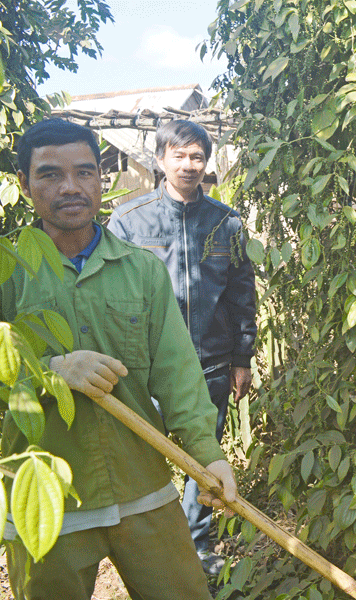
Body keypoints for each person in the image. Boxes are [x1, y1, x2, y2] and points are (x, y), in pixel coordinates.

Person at [1, 118, 236, 600]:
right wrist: (49, 373)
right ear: (24, 184)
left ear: (101, 178)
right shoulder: (8, 272)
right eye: (50, 175)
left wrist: (209, 456)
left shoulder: (142, 271)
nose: (71, 187)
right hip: (47, 500)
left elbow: (177, 376)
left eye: (85, 172)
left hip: (142, 490)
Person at [108, 119, 257, 574]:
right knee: (138, 459)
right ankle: (143, 550)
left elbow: (240, 292)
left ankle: (196, 551)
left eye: (197, 156)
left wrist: (241, 357)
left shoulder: (225, 223)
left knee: (203, 461)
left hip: (209, 365)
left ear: (206, 163)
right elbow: (109, 293)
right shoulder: (130, 221)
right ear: (159, 159)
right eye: (180, 155)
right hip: (145, 367)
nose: (189, 165)